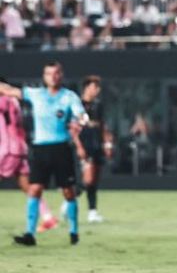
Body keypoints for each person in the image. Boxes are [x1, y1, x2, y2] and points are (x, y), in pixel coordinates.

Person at [0, 62, 86, 246]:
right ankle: (29, 234)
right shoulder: (35, 94)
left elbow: (81, 115)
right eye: (49, 74)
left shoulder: (69, 97)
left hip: (61, 149)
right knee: (34, 189)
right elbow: (9, 90)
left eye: (56, 73)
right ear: (44, 76)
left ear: (61, 75)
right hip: (40, 150)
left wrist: (81, 122)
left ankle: (73, 232)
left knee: (68, 192)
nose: (52, 77)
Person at [0, 78, 58, 233]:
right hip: (20, 149)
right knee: (28, 187)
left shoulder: (4, 101)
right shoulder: (15, 102)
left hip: (8, 150)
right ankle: (48, 218)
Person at [78, 76, 112, 223]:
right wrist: (78, 145)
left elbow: (103, 125)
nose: (97, 90)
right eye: (94, 87)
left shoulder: (98, 105)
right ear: (86, 88)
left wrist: (107, 144)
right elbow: (73, 126)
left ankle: (92, 212)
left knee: (95, 179)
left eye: (98, 88)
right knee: (88, 178)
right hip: (84, 143)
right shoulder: (77, 104)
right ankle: (69, 200)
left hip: (97, 143)